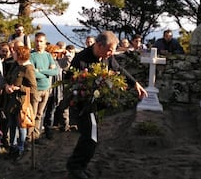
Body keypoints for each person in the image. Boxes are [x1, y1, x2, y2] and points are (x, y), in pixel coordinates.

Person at [65, 31, 147, 179]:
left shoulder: (107, 57)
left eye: (113, 50)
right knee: (90, 137)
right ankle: (75, 167)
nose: (112, 53)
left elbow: (118, 70)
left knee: (91, 137)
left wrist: (135, 84)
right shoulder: (81, 60)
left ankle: (78, 166)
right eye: (110, 49)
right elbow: (69, 82)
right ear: (98, 45)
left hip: (96, 105)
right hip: (82, 106)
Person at [4, 45, 36, 161]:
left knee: (21, 126)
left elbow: (33, 88)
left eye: (15, 52)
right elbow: (7, 78)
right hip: (11, 101)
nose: (12, 53)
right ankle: (13, 147)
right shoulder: (15, 65)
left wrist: (19, 88)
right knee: (11, 125)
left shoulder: (28, 68)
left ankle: (20, 148)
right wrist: (7, 86)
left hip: (21, 103)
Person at [29, 32, 58, 143]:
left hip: (46, 89)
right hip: (36, 89)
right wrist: (47, 73)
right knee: (33, 114)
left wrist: (41, 71)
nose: (39, 43)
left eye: (41, 41)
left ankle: (36, 136)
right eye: (37, 41)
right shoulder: (32, 56)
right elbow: (33, 74)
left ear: (45, 43)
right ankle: (29, 137)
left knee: (40, 114)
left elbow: (55, 71)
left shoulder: (48, 55)